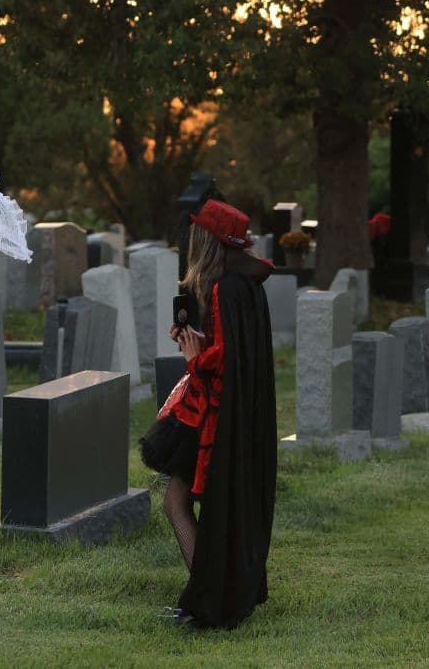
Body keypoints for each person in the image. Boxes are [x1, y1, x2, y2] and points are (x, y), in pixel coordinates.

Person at [140, 199, 277, 629]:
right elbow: (233, 349)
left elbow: (223, 359)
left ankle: (209, 601)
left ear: (208, 240)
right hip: (227, 414)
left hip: (215, 418)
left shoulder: (225, 287)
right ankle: (208, 595)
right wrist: (199, 339)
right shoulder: (246, 283)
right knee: (200, 506)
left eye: (197, 233)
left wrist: (193, 353)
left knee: (180, 504)